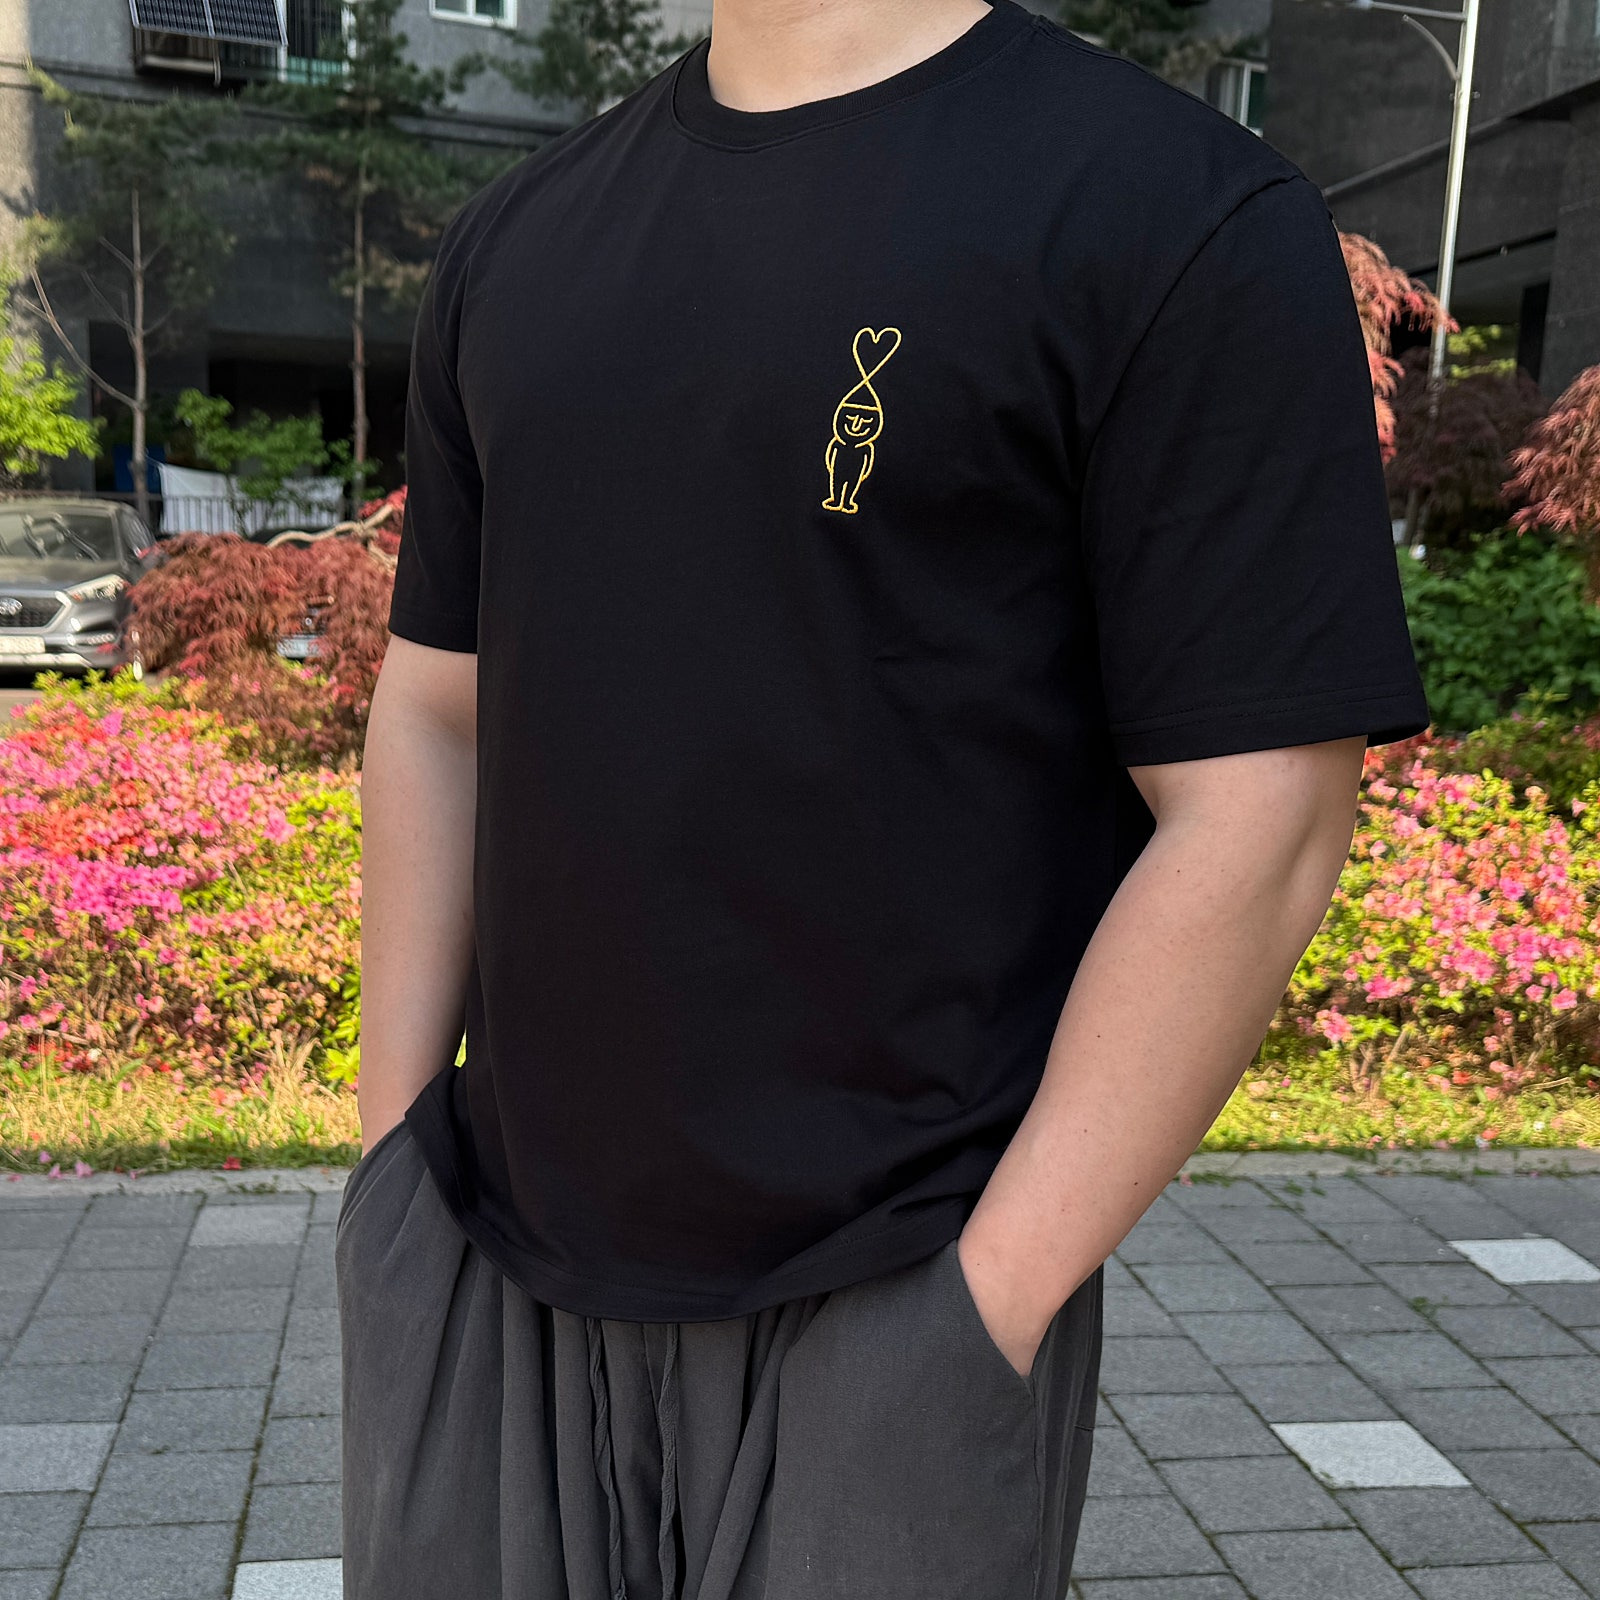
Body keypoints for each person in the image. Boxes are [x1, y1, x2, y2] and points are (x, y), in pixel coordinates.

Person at [339, 0, 1431, 1594]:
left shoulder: (1176, 211)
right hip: (493, 1268)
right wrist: (393, 1182)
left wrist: (986, 1304)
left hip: (902, 1286)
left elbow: (1263, 811)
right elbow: (439, 709)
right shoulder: (522, 238)